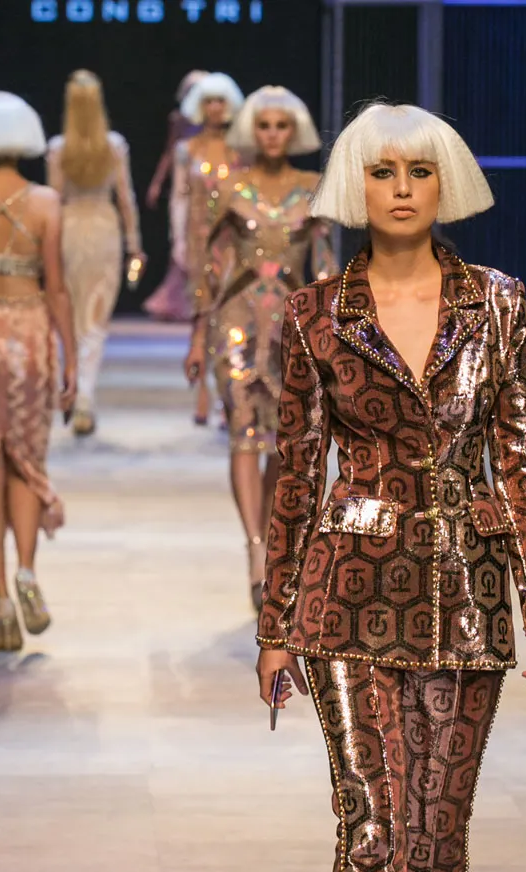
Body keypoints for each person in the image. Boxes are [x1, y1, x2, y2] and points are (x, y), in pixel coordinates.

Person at [255, 102, 526, 872]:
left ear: (445, 184)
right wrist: (275, 623)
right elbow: (294, 472)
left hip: (468, 598)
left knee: (437, 843)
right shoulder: (313, 314)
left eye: (418, 171)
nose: (399, 188)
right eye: (381, 171)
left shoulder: (499, 304)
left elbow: (519, 456)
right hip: (345, 596)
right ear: (355, 184)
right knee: (373, 834)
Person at [185, 86, 337, 612]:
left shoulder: (314, 188)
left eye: (282, 125)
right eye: (265, 125)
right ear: (253, 130)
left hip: (292, 329)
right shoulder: (229, 187)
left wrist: (331, 333)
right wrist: (196, 338)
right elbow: (209, 268)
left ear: (294, 131)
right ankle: (255, 549)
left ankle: (271, 540)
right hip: (235, 324)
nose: (273, 134)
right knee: (243, 432)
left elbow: (325, 268)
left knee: (281, 443)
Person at [0, 92, 77, 652]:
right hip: (28, 338)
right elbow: (57, 288)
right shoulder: (44, 202)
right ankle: (25, 572)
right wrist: (71, 359)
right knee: (25, 461)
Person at [47, 69, 144, 438]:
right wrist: (134, 245)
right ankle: (85, 395)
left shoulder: (58, 148)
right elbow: (126, 198)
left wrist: (44, 248)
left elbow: (53, 200)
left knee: (72, 316)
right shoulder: (114, 145)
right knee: (95, 319)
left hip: (69, 230)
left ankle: (76, 389)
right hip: (104, 231)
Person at [172, 71, 244, 425]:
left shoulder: (241, 149)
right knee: (200, 314)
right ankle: (203, 392)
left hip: (233, 241)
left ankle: (226, 394)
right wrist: (177, 241)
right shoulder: (187, 149)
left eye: (220, 101)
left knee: (230, 315)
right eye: (208, 101)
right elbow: (179, 197)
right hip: (198, 240)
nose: (215, 107)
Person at [142, 70, 207, 323]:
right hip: (185, 185)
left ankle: (198, 300)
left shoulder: (215, 118)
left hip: (208, 185)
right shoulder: (179, 119)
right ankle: (178, 301)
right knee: (180, 240)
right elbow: (169, 151)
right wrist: (157, 183)